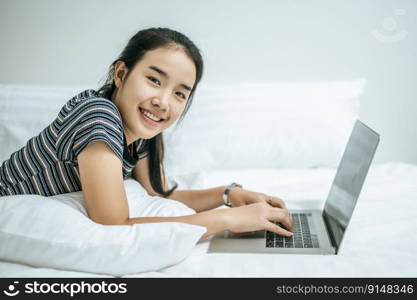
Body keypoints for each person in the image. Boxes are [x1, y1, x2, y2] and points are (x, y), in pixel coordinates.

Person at [0, 27, 292, 240]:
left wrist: (229, 194)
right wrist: (227, 219)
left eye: (179, 93)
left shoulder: (137, 133)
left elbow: (161, 192)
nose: (163, 102)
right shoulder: (97, 116)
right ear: (121, 74)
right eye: (154, 80)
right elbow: (114, 225)